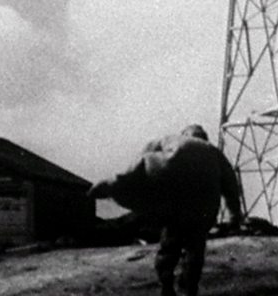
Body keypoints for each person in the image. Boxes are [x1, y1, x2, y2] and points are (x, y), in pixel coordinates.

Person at [88, 124, 243, 296]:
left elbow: (145, 153)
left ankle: (166, 284)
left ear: (185, 134)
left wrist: (128, 182)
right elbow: (231, 186)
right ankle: (189, 289)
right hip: (202, 206)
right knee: (195, 249)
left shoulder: (172, 138)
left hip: (174, 199)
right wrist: (235, 216)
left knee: (170, 243)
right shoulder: (214, 151)